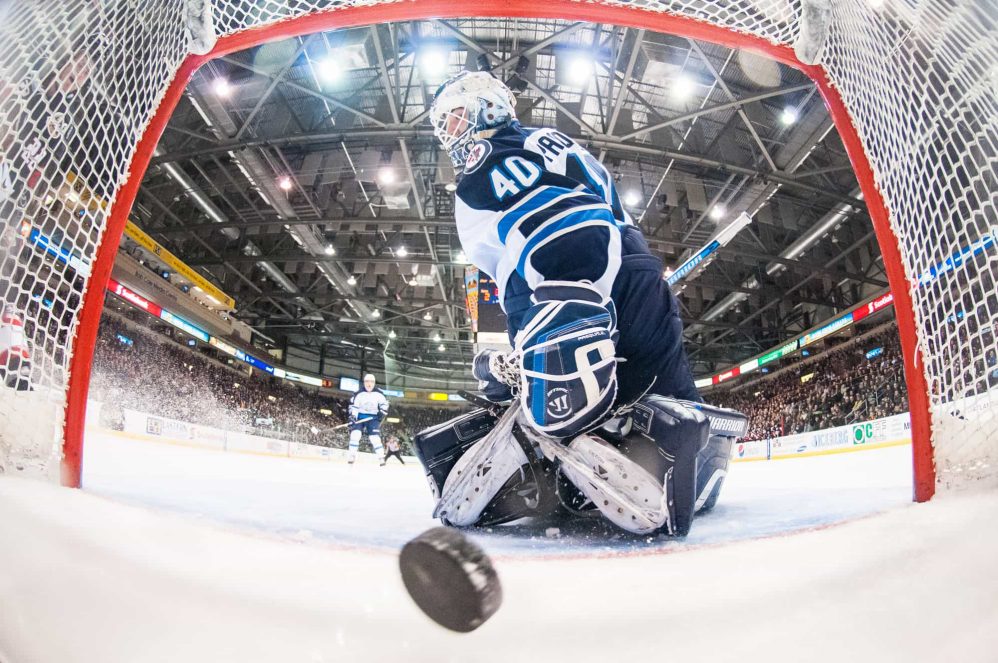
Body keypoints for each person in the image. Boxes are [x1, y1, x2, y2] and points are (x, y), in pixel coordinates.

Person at [418, 71, 747, 536]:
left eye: (453, 120)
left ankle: (552, 456)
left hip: (561, 281)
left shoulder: (488, 154)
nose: (449, 135)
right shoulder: (555, 141)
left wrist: (570, 295)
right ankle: (698, 466)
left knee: (556, 411)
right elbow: (592, 209)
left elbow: (559, 218)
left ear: (486, 109)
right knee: (668, 400)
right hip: (637, 273)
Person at [347, 374, 389, 465]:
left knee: (374, 438)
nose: (369, 384)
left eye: (371, 382)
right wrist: (353, 416)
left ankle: (381, 457)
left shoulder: (379, 393)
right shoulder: (358, 393)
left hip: (373, 418)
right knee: (355, 434)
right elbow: (354, 406)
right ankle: (352, 455)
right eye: (367, 382)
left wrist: (382, 412)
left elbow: (385, 405)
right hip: (360, 417)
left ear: (374, 383)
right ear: (364, 383)